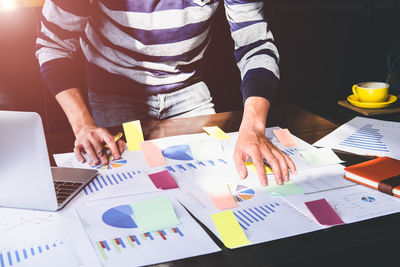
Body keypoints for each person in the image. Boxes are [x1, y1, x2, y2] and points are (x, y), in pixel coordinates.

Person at [36, 0, 296, 186]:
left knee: (227, 181)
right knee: (123, 187)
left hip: (187, 87)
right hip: (112, 91)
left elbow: (255, 43)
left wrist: (253, 126)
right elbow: (53, 45)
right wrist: (83, 125)